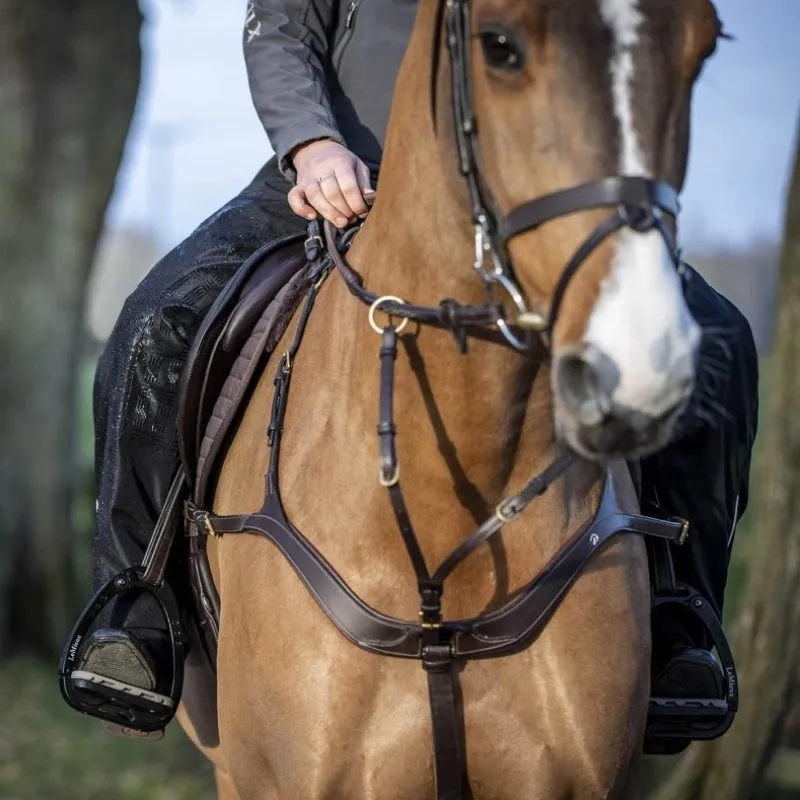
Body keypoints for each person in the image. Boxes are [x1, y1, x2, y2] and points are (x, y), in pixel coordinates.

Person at [65, 0, 758, 733]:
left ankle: (679, 612)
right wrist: (311, 142)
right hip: (337, 180)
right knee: (154, 324)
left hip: (522, 186)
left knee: (719, 339)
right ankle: (135, 603)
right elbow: (280, 28)